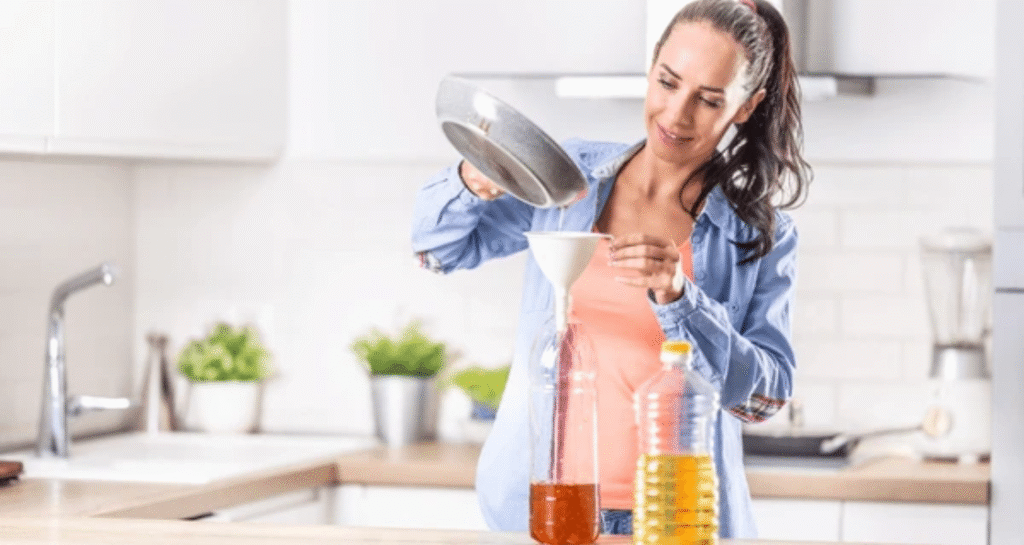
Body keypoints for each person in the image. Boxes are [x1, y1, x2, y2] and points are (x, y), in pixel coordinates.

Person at [411, 0, 810, 538]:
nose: (676, 114)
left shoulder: (758, 233)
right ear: (651, 68)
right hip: (542, 511)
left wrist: (679, 298)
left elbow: (766, 396)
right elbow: (437, 250)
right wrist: (470, 179)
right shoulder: (567, 178)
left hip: (676, 520)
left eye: (708, 100)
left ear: (745, 106)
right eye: (668, 82)